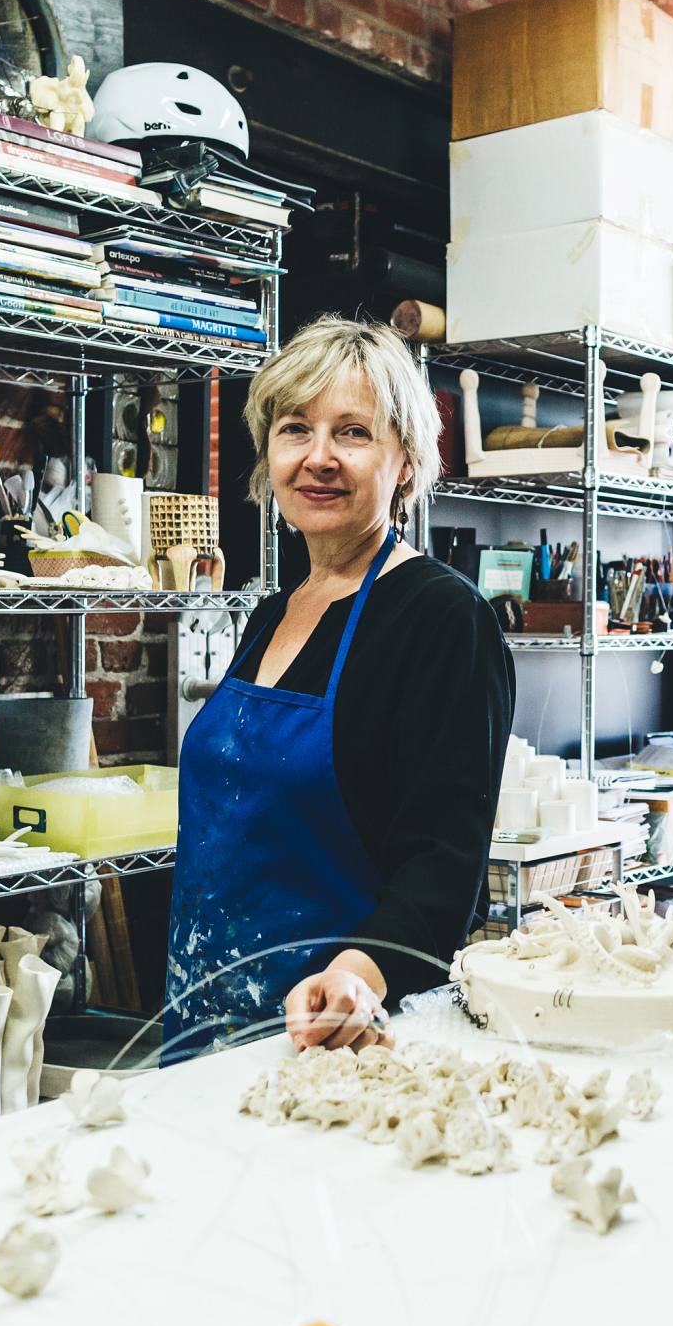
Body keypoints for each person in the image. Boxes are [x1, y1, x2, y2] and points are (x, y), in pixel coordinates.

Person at [162, 316, 514, 1061]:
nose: (318, 458)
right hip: (202, 1021)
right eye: (295, 430)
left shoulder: (444, 619)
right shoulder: (271, 612)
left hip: (335, 1034)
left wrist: (357, 975)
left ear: (407, 462)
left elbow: (445, 866)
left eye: (352, 433)